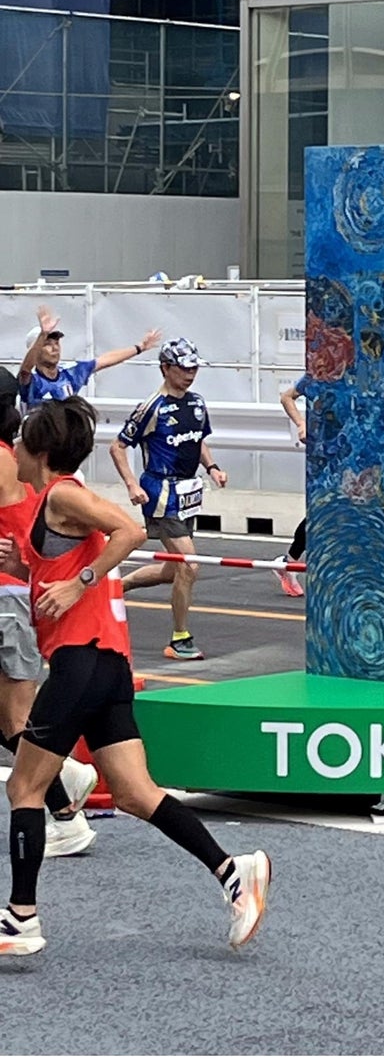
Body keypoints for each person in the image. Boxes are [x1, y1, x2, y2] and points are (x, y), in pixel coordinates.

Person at [0, 397, 270, 957]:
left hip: (80, 661)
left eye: (21, 443)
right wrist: (22, 565)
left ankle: (21, 917)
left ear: (41, 453)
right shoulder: (48, 506)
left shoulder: (64, 494)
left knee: (23, 787)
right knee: (133, 793)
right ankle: (233, 872)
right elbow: (58, 566)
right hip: (106, 665)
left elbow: (129, 530)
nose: (14, 451)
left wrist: (81, 583)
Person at [0, 399, 98, 859]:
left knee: (16, 718)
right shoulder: (18, 460)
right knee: (11, 716)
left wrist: (82, 580)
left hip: (8, 597)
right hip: (15, 592)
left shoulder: (10, 459)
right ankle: (65, 782)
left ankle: (62, 806)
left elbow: (126, 531)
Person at [109, 338, 227, 661]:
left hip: (188, 492)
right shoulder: (152, 407)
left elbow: (198, 441)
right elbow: (117, 446)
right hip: (160, 493)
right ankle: (179, 638)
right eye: (184, 368)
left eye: (194, 368)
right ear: (165, 368)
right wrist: (132, 484)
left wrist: (213, 468)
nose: (190, 374)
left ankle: (117, 587)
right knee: (189, 565)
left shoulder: (197, 403)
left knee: (172, 569)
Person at [19, 305, 161, 408]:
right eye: (47, 344)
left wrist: (139, 347)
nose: (55, 348)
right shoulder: (32, 380)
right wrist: (43, 334)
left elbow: (104, 360)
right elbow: (25, 369)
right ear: (36, 349)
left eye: (57, 343)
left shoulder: (70, 373)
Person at [275, 376, 307, 598]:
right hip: (328, 453)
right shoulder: (321, 372)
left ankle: (288, 562)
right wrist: (301, 423)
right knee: (321, 513)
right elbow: (287, 397)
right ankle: (289, 563)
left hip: (364, 451)